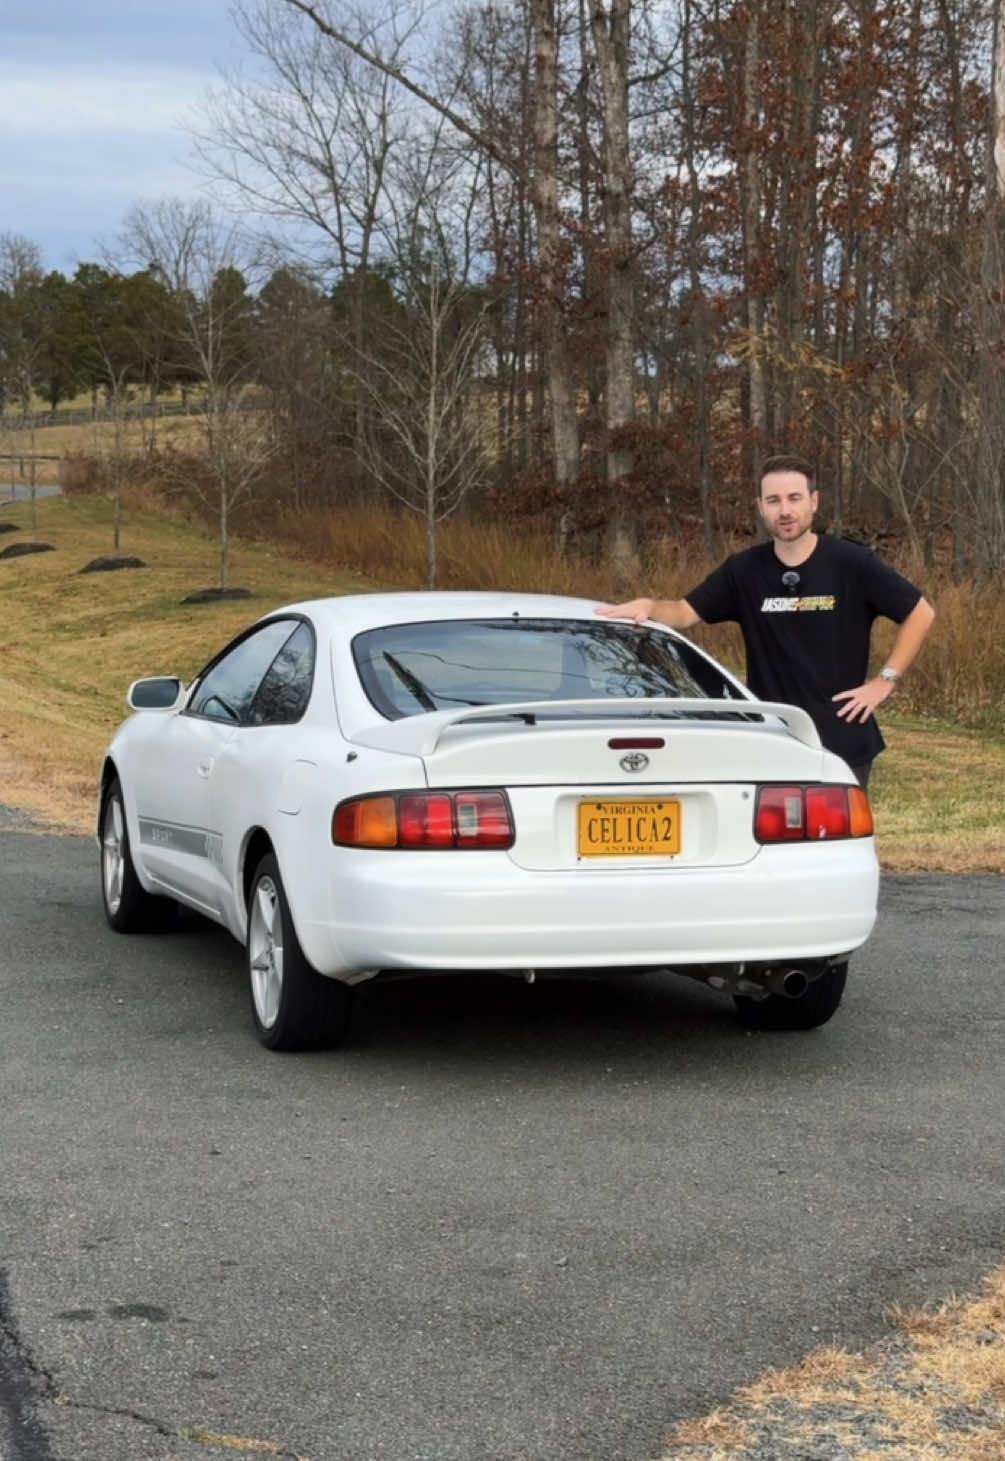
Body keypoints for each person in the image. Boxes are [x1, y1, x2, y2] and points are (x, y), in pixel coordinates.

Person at [596, 455, 935, 787]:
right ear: (760, 507)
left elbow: (920, 613)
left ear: (813, 502)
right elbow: (685, 612)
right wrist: (650, 606)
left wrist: (885, 681)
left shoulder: (852, 563)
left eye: (794, 498)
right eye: (773, 500)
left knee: (833, 842)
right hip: (770, 735)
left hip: (841, 736)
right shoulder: (744, 570)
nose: (784, 510)